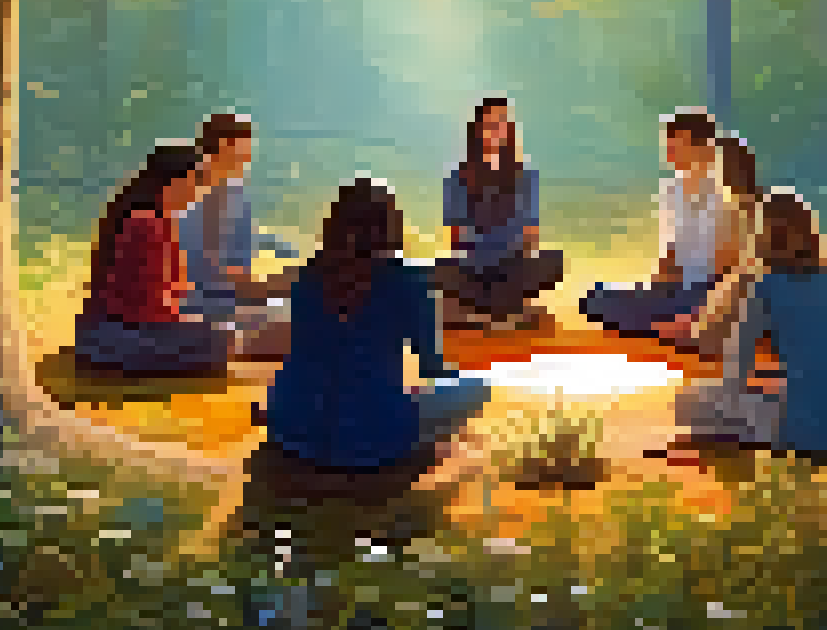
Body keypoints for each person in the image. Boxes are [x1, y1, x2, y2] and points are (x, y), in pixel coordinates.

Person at [264, 177, 491, 471]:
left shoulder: (308, 273)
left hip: (292, 425)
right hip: (370, 438)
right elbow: (432, 366)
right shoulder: (408, 280)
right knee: (476, 388)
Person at [673, 190, 827, 452]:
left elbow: (735, 371)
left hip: (806, 432)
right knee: (775, 390)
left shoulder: (764, 286)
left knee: (687, 403)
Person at [579, 109, 742, 337]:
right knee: (594, 297)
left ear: (702, 148)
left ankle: (680, 325)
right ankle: (668, 326)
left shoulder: (728, 192)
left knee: (691, 307)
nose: (671, 154)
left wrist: (710, 304)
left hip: (711, 293)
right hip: (677, 291)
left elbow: (731, 269)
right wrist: (654, 288)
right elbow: (671, 254)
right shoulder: (672, 189)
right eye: (669, 146)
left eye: (678, 146)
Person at [75, 142, 224, 377]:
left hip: (107, 333)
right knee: (220, 340)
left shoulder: (155, 219)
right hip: (118, 338)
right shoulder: (147, 223)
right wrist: (190, 320)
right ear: (173, 182)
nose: (199, 192)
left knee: (219, 332)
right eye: (196, 182)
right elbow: (147, 308)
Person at [438, 97, 567, 331]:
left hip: (513, 267)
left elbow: (530, 235)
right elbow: (456, 239)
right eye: (489, 123)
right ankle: (506, 312)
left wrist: (517, 264)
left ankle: (484, 312)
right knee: (437, 271)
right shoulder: (458, 177)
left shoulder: (525, 176)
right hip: (474, 270)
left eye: (501, 123)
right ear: (477, 130)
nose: (495, 129)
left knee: (553, 262)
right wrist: (476, 264)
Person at [181, 112, 300, 365]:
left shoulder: (233, 191)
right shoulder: (197, 194)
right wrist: (272, 287)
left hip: (231, 299)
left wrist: (283, 250)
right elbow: (212, 273)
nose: (247, 158)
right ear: (220, 149)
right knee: (302, 322)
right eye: (241, 150)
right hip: (202, 304)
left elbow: (242, 237)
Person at [660, 133, 763, 355]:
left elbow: (728, 275)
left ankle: (683, 326)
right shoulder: (723, 207)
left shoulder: (741, 212)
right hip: (702, 293)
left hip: (714, 295)